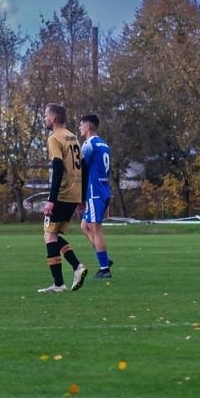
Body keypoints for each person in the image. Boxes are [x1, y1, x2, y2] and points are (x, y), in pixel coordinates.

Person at [38, 103, 87, 293]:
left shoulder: (54, 138)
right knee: (52, 235)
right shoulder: (73, 137)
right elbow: (83, 166)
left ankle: (63, 280)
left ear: (53, 118)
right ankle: (73, 271)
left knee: (49, 235)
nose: (44, 118)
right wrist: (81, 196)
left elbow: (58, 169)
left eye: (45, 115)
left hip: (62, 193)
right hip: (74, 193)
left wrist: (51, 199)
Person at [77, 114, 114, 279]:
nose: (79, 128)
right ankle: (104, 256)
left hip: (94, 192)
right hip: (103, 189)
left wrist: (79, 195)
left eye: (81, 125)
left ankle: (104, 269)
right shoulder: (104, 144)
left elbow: (80, 167)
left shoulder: (89, 144)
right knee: (84, 227)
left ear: (88, 127)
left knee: (95, 230)